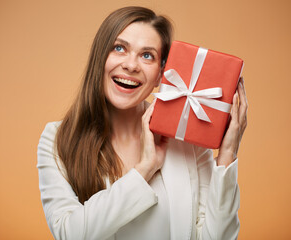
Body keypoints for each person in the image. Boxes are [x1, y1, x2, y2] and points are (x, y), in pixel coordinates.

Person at [37, 6, 248, 240]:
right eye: (119, 48)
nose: (131, 65)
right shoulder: (57, 139)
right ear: (99, 58)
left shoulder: (187, 140)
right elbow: (70, 234)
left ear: (161, 74)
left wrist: (227, 154)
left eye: (147, 55)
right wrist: (145, 169)